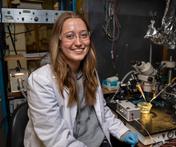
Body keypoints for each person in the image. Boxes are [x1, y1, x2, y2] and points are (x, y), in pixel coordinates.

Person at [24, 12, 138, 147]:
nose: (78, 42)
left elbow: (102, 110)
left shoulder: (89, 71)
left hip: (98, 141)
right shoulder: (40, 80)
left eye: (83, 35)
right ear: (59, 42)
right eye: (70, 36)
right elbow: (56, 138)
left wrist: (123, 131)